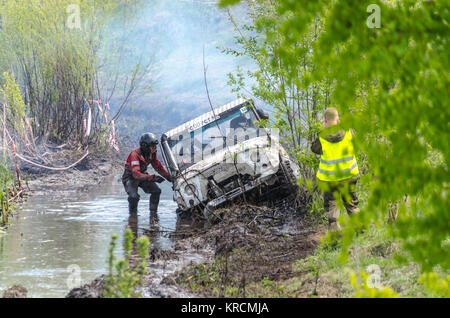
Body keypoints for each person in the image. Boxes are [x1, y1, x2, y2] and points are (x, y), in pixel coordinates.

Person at [311, 107, 359, 232]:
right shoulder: (349, 132)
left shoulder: (322, 138)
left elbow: (314, 149)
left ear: (325, 120)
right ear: (338, 119)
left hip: (330, 180)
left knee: (332, 205)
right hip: (349, 175)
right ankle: (361, 230)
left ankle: (336, 234)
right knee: (351, 203)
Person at [122, 133, 173, 216]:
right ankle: (132, 216)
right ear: (145, 146)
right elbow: (136, 174)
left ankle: (153, 214)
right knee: (133, 197)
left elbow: (158, 166)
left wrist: (168, 177)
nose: (154, 148)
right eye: (152, 146)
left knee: (156, 191)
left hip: (143, 175)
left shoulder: (152, 153)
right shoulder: (134, 154)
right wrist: (152, 177)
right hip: (130, 177)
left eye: (155, 146)